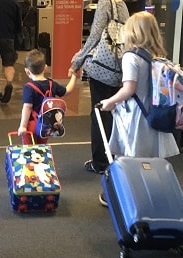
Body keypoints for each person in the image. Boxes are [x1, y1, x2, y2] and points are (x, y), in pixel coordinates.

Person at [98, 11, 180, 205]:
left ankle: (121, 195)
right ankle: (151, 194)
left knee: (125, 156)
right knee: (149, 159)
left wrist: (110, 101)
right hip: (153, 114)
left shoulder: (131, 57)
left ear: (132, 32)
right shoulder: (156, 57)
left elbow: (129, 89)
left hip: (134, 115)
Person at [69, 0, 130, 174]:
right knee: (114, 114)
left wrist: (77, 61)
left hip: (102, 69)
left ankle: (100, 162)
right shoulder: (122, 4)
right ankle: (116, 159)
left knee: (99, 114)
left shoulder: (105, 3)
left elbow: (95, 36)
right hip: (119, 68)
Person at [18, 49, 79, 145]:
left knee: (29, 150)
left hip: (32, 124)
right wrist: (74, 76)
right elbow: (67, 91)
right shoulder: (52, 84)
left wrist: (23, 126)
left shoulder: (28, 87)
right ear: (45, 68)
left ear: (27, 71)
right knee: (42, 149)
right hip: (46, 124)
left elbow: (27, 107)